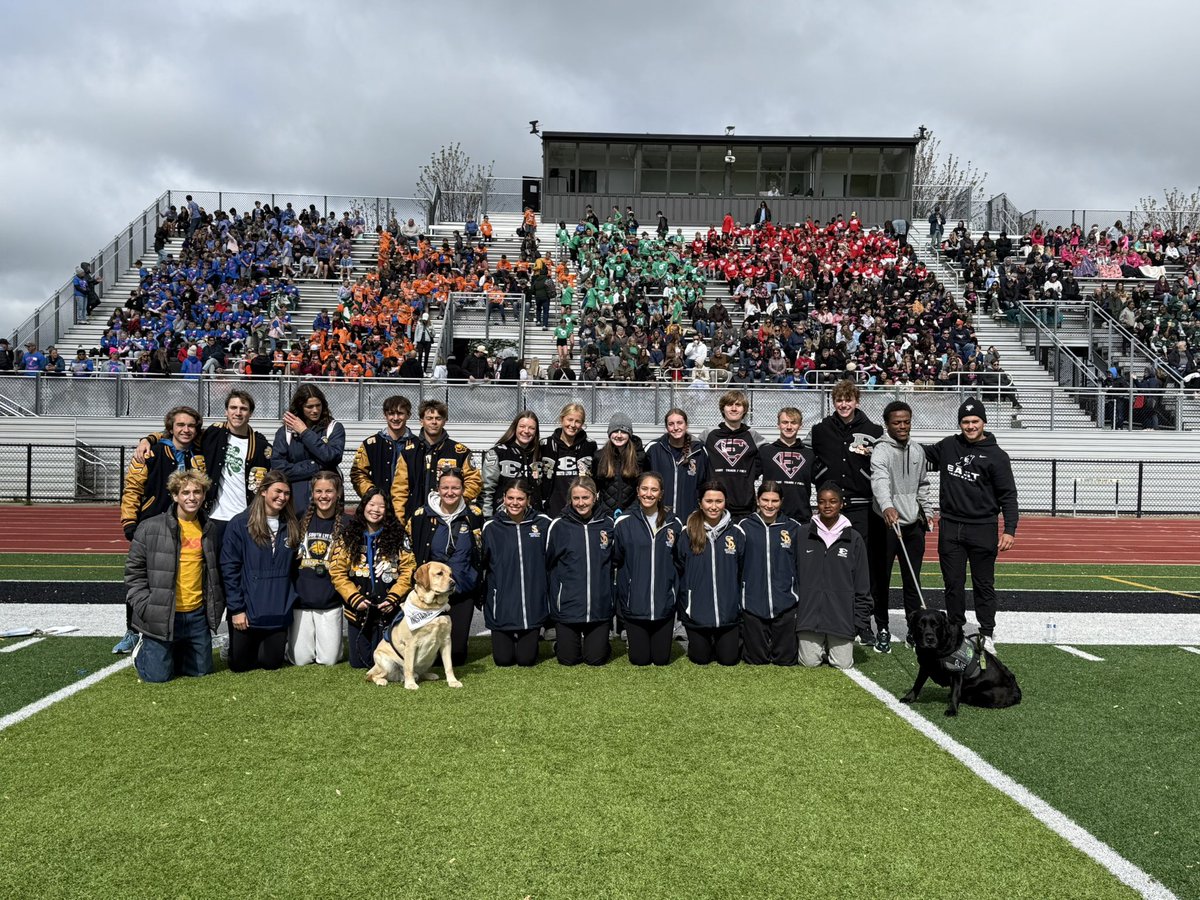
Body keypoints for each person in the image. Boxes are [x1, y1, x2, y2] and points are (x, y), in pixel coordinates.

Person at [922, 399, 1018, 652]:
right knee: (953, 584)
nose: (970, 426)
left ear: (983, 422)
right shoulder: (949, 445)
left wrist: (1009, 529)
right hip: (951, 526)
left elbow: (1008, 495)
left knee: (983, 584)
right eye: (965, 422)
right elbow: (917, 453)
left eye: (975, 421)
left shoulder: (997, 456)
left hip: (982, 527)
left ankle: (986, 633)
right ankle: (955, 631)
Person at [133, 390, 270, 554]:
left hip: (246, 519)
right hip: (213, 517)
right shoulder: (212, 434)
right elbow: (180, 433)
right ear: (226, 411)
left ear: (251, 413)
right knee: (211, 570)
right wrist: (148, 439)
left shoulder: (261, 445)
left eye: (243, 408)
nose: (238, 412)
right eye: (233, 407)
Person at [115, 405, 206, 654]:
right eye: (180, 425)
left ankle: (180, 631)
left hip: (187, 526)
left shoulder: (200, 454)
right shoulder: (152, 451)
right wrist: (130, 522)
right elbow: (132, 488)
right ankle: (133, 631)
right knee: (145, 579)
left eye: (191, 425)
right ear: (171, 427)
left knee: (180, 578)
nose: (186, 430)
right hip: (153, 524)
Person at [124, 470, 224, 682]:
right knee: (157, 677)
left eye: (197, 492)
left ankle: (176, 649)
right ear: (175, 495)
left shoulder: (209, 528)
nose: (191, 497)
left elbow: (213, 574)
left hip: (196, 615)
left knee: (201, 672)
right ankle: (142, 653)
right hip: (162, 613)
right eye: (185, 492)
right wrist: (145, 605)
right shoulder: (150, 527)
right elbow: (134, 572)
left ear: (204, 495)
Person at [809, 379, 885, 646]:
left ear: (857, 401)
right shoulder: (820, 430)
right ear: (833, 401)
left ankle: (863, 623)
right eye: (839, 399)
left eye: (848, 399)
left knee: (860, 569)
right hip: (828, 508)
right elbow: (810, 460)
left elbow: (880, 465)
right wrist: (822, 479)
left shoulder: (874, 430)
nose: (843, 404)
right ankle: (829, 618)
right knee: (829, 566)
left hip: (861, 507)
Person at [220, 471, 300, 673]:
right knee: (241, 665)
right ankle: (230, 644)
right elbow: (230, 569)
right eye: (278, 491)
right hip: (248, 610)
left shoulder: (292, 525)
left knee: (271, 663)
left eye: (287, 493)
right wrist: (237, 610)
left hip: (277, 610)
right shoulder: (240, 523)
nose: (282, 497)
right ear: (263, 491)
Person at [870, 401, 933, 652]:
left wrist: (927, 512)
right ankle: (883, 628)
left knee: (912, 581)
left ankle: (912, 629)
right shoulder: (881, 451)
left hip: (912, 526)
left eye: (906, 421)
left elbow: (923, 485)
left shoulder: (918, 450)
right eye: (897, 422)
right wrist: (886, 506)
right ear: (887, 424)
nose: (902, 426)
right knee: (881, 580)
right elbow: (879, 481)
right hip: (886, 524)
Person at [406, 467, 484, 668]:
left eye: (455, 488)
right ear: (438, 489)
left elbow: (480, 551)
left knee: (456, 656)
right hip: (432, 594)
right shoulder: (421, 516)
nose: (450, 492)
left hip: (462, 590)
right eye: (445, 487)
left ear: (463, 489)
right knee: (428, 657)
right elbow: (412, 553)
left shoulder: (474, 515)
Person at [330, 487, 415, 669]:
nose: (375, 510)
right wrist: (354, 598)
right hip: (358, 611)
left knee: (387, 662)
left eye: (381, 506)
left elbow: (408, 571)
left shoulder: (399, 536)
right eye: (371, 504)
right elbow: (337, 572)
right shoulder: (348, 535)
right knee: (360, 663)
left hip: (388, 611)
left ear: (388, 510)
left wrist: (393, 598)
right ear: (363, 506)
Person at [795, 482, 872, 669]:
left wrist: (859, 620)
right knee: (809, 662)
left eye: (833, 501)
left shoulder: (854, 538)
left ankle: (830, 644)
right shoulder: (802, 533)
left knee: (842, 663)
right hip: (809, 616)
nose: (827, 506)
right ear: (817, 504)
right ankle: (819, 645)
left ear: (841, 504)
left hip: (840, 617)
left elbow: (862, 583)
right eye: (822, 501)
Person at [612, 472, 683, 666]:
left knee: (661, 660)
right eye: (644, 489)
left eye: (654, 489)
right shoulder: (624, 522)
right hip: (635, 602)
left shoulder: (674, 523)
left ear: (661, 494)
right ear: (637, 491)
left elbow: (679, 559)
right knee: (639, 659)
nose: (649, 494)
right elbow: (616, 559)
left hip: (664, 603)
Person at [545, 476, 615, 666]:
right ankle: (562, 644)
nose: (581, 503)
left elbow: (615, 560)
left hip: (598, 607)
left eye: (585, 497)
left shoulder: (608, 525)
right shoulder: (558, 525)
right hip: (568, 607)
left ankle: (601, 644)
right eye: (576, 498)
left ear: (595, 497)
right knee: (568, 659)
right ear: (570, 499)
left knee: (596, 659)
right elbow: (548, 562)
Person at [481, 479, 551, 667]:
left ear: (528, 500)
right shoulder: (491, 527)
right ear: (503, 498)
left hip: (532, 606)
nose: (514, 503)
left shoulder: (543, 524)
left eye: (520, 498)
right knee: (503, 660)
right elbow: (483, 564)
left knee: (526, 660)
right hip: (502, 606)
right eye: (510, 498)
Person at [674, 481, 744, 666]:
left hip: (728, 614)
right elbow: (680, 566)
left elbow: (742, 569)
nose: (714, 506)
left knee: (728, 660)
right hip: (697, 612)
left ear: (725, 502)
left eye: (718, 501)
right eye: (709, 501)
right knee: (700, 659)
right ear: (700, 502)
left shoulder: (736, 533)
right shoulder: (687, 532)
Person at [289, 471, 346, 666]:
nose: (324, 496)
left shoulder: (347, 523)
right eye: (319, 491)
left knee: (329, 660)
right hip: (301, 601)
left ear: (338, 493)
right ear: (312, 494)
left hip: (330, 601)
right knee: (300, 660)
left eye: (329, 491)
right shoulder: (298, 519)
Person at [739, 482, 800, 665]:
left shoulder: (793, 528)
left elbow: (799, 565)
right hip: (753, 603)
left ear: (781, 502)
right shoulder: (744, 526)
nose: (769, 505)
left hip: (785, 602)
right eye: (765, 500)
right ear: (758, 500)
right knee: (756, 660)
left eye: (774, 501)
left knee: (786, 660)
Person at [391, 400, 481, 523]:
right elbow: (399, 490)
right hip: (416, 519)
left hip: (451, 519)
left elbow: (474, 482)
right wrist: (400, 520)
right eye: (429, 418)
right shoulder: (408, 453)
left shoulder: (460, 452)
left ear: (445, 421)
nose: (434, 422)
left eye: (438, 418)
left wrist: (456, 501)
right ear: (421, 421)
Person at [272, 384, 346, 513]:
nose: (315, 410)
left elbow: (332, 457)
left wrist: (305, 432)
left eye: (318, 405)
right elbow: (279, 468)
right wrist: (316, 466)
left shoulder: (334, 428)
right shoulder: (285, 432)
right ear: (300, 407)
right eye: (309, 407)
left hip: (327, 506)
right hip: (294, 506)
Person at [702, 390, 762, 520]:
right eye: (729, 405)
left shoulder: (753, 436)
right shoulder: (709, 435)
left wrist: (749, 476)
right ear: (723, 409)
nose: (734, 409)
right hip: (715, 506)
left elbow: (766, 459)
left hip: (744, 506)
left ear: (744, 409)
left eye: (738, 405)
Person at [645, 408, 707, 522]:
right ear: (666, 427)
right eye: (671, 424)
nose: (676, 428)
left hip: (690, 518)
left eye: (679, 423)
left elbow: (705, 484)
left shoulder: (699, 451)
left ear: (686, 425)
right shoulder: (653, 449)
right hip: (659, 518)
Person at [350, 395, 412, 505]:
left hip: (409, 507)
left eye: (400, 413)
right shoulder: (370, 444)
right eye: (391, 413)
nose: (396, 418)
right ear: (385, 415)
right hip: (379, 508)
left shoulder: (418, 445)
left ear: (408, 415)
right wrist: (372, 495)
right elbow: (357, 472)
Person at [481, 410, 544, 517]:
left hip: (533, 519)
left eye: (531, 428)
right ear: (515, 427)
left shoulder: (541, 453)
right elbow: (487, 490)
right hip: (503, 518)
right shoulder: (498, 453)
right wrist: (487, 518)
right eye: (522, 426)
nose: (526, 431)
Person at [758, 406, 815, 521]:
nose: (789, 427)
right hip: (772, 516)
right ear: (778, 424)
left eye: (793, 423)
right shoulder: (765, 452)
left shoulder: (810, 454)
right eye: (785, 422)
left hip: (801, 517)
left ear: (800, 425)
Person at [540, 402, 597, 517]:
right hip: (552, 508)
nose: (573, 424)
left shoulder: (589, 446)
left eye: (578, 421)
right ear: (562, 419)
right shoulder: (545, 445)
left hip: (579, 507)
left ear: (582, 424)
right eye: (569, 420)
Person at [591, 412, 646, 519]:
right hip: (605, 515)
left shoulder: (639, 457)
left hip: (632, 515)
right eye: (615, 431)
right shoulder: (599, 457)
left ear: (629, 434)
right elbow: (594, 487)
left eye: (624, 431)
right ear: (609, 433)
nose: (619, 435)